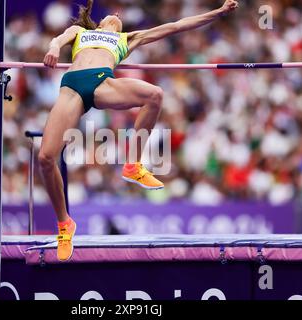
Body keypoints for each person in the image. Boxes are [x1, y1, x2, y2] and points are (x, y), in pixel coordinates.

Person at [39, 0, 239, 261]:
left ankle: (133, 165)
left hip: (102, 82)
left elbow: (176, 26)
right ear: (99, 22)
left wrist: (219, 12)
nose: (117, 14)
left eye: (120, 15)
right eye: (112, 13)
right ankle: (65, 224)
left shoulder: (129, 38)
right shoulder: (82, 33)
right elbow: (59, 38)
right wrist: (54, 48)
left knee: (154, 94)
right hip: (72, 87)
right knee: (45, 158)